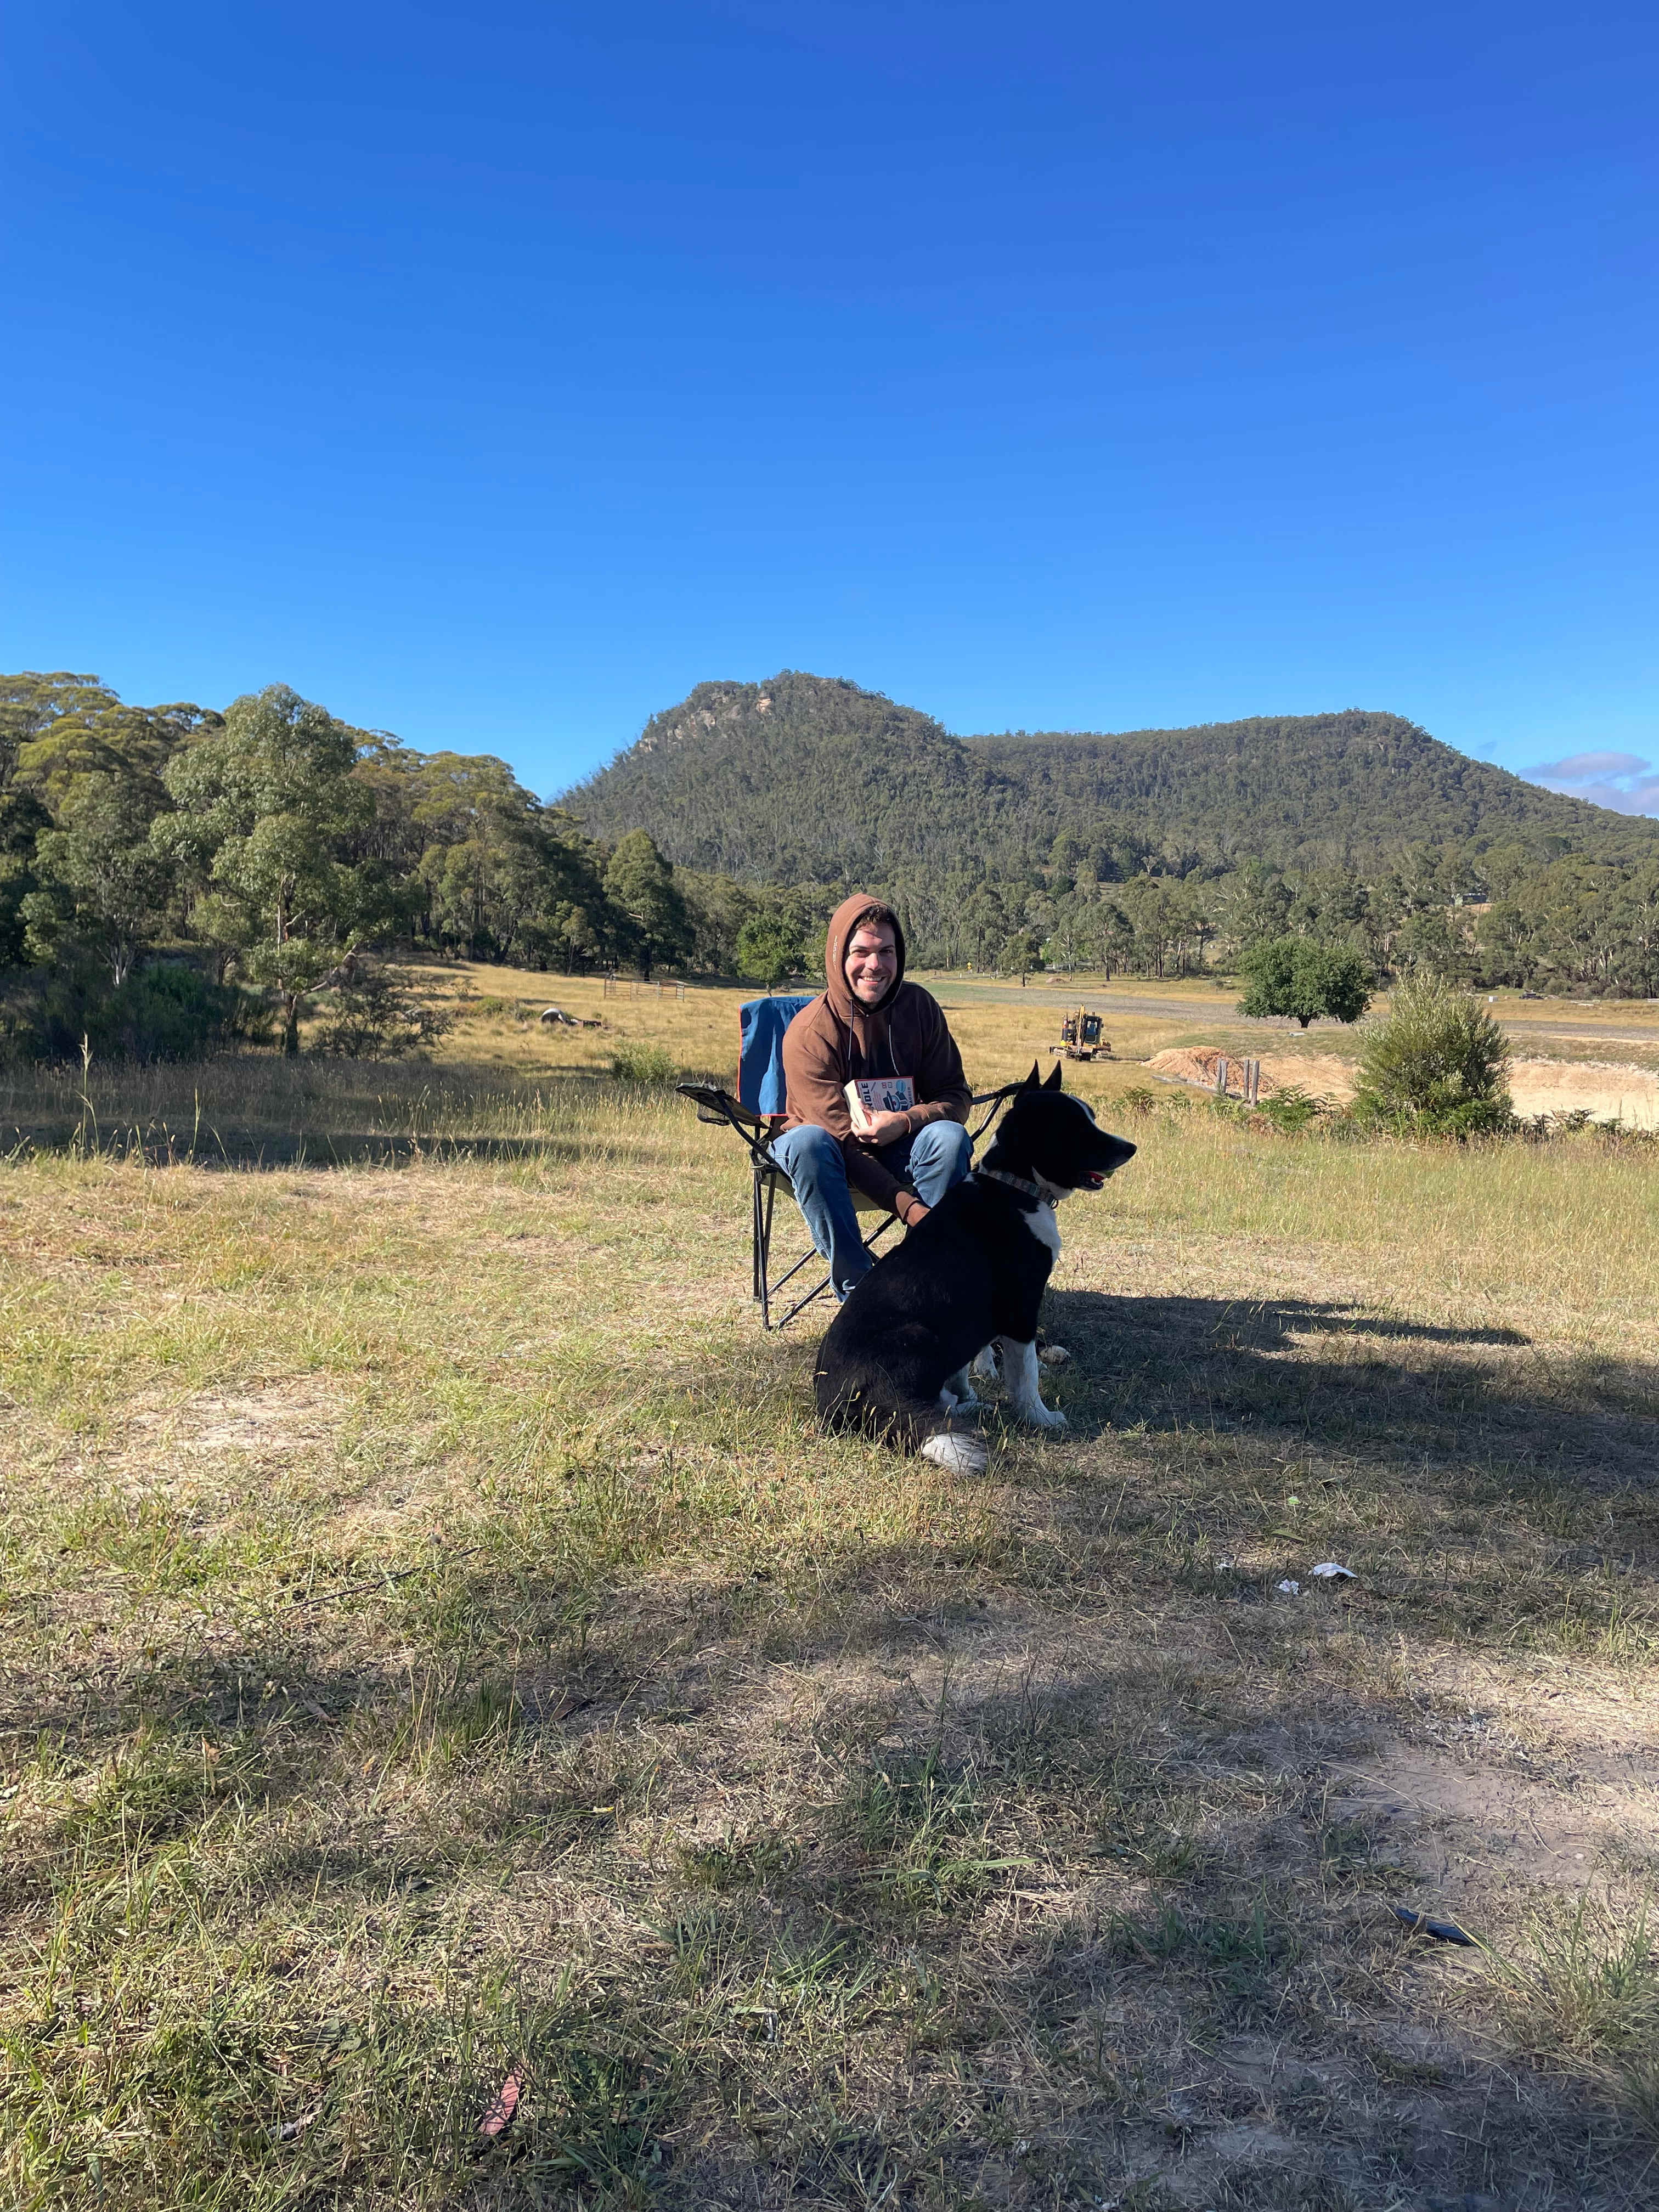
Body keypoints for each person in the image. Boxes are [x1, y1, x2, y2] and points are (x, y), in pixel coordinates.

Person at [771, 895, 973, 1299]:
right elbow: (844, 1146)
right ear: (837, 956)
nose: (875, 965)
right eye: (861, 952)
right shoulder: (809, 1032)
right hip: (831, 1161)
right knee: (808, 1143)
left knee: (948, 1138)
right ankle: (862, 1296)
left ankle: (930, 1283)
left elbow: (955, 1095)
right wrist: (913, 1211)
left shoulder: (920, 1009)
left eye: (886, 952)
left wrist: (905, 1121)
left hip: (902, 1149)